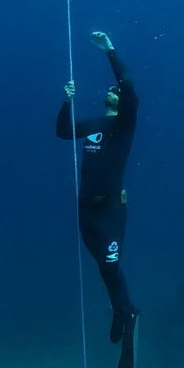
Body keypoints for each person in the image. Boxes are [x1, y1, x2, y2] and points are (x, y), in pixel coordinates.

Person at [56, 31, 139, 343]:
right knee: (102, 267)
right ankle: (119, 310)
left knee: (111, 264)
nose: (114, 91)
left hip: (110, 209)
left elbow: (129, 88)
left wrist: (110, 51)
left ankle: (127, 311)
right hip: (86, 208)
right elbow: (63, 132)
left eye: (117, 91)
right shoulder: (93, 125)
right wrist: (66, 101)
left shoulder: (124, 126)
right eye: (111, 89)